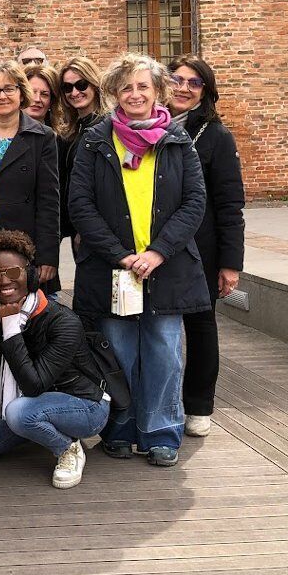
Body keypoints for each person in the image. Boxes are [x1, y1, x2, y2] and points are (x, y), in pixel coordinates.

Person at [68, 53, 209, 467]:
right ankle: (121, 426)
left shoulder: (177, 141)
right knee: (120, 352)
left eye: (143, 86)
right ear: (114, 92)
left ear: (157, 92)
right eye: (126, 87)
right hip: (115, 269)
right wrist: (122, 255)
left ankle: (161, 430)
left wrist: (157, 252)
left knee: (164, 350)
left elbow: (194, 202)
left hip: (167, 267)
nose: (135, 94)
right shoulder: (94, 141)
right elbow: (81, 204)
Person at [0, 231, 110, 490]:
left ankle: (68, 448)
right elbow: (3, 372)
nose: (4, 281)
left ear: (32, 275)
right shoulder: (3, 313)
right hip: (33, 406)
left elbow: (33, 385)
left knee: (17, 412)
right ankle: (36, 429)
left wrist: (12, 328)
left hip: (84, 406)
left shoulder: (63, 322)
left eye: (13, 273)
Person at [168, 55, 245, 438]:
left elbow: (230, 205)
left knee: (199, 326)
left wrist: (230, 264)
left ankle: (198, 405)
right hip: (154, 248)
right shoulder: (148, 126)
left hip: (201, 249)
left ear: (205, 92)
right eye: (176, 78)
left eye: (193, 83)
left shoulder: (216, 135)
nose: (182, 87)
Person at [0, 61, 61, 296]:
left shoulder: (42, 137)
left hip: (22, 240)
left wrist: (48, 255)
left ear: (21, 92)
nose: (2, 96)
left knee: (25, 315)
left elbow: (49, 200)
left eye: (9, 88)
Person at [57, 55, 106, 261]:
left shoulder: (107, 126)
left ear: (94, 84)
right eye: (68, 88)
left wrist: (86, 229)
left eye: (81, 84)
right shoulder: (73, 129)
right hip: (79, 226)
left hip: (97, 229)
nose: (75, 92)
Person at [26, 64, 61, 129]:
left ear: (52, 101)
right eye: (31, 92)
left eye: (44, 94)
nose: (37, 99)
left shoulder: (60, 137)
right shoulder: (4, 135)